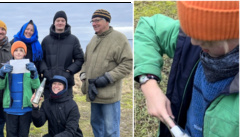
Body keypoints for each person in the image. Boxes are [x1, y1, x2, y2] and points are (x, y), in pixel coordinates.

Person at [134, 1, 239, 137]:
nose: (194, 42)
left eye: (206, 37)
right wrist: (149, 84)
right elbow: (149, 28)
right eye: (191, 32)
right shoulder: (193, 41)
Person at [80, 9, 133, 137]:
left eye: (97, 20)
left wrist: (107, 78)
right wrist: (83, 75)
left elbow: (128, 64)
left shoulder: (119, 38)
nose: (94, 24)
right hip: (94, 92)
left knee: (111, 130)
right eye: (92, 21)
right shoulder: (93, 39)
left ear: (107, 21)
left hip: (110, 95)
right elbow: (85, 62)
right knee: (96, 125)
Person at [0, 41, 40, 137]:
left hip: (26, 109)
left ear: (25, 53)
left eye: (21, 50)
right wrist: (1, 74)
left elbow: (36, 86)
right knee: (11, 134)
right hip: (10, 109)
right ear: (12, 53)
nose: (19, 52)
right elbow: (0, 86)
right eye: (16, 50)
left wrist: (34, 74)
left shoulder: (30, 67)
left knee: (23, 134)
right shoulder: (7, 67)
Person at [40, 10, 84, 99]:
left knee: (65, 110)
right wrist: (45, 71)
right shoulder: (46, 40)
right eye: (58, 20)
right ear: (54, 23)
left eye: (62, 20)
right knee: (48, 110)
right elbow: (40, 59)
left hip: (66, 83)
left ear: (66, 23)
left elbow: (80, 59)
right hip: (49, 83)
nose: (60, 22)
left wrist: (69, 71)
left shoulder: (73, 40)